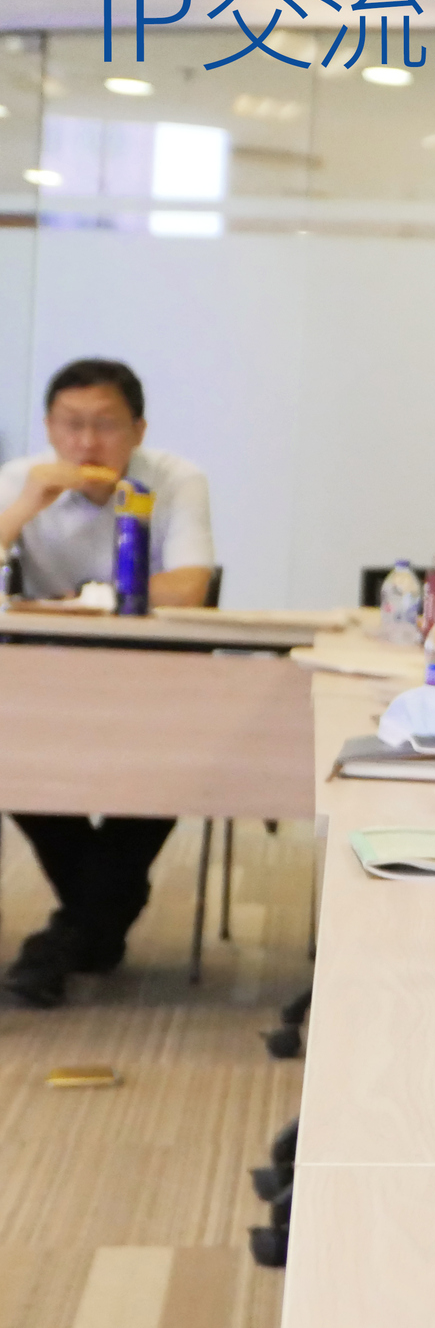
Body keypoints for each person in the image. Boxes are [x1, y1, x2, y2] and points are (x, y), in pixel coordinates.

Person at [0, 358, 214, 1007]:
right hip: (49, 676)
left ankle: (68, 938)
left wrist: (84, 597)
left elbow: (189, 585)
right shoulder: (23, 479)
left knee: (171, 774)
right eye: (70, 424)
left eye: (105, 425)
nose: (86, 442)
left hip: (156, 676)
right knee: (17, 766)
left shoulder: (176, 479)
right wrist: (24, 508)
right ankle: (94, 925)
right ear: (49, 426)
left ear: (138, 429)